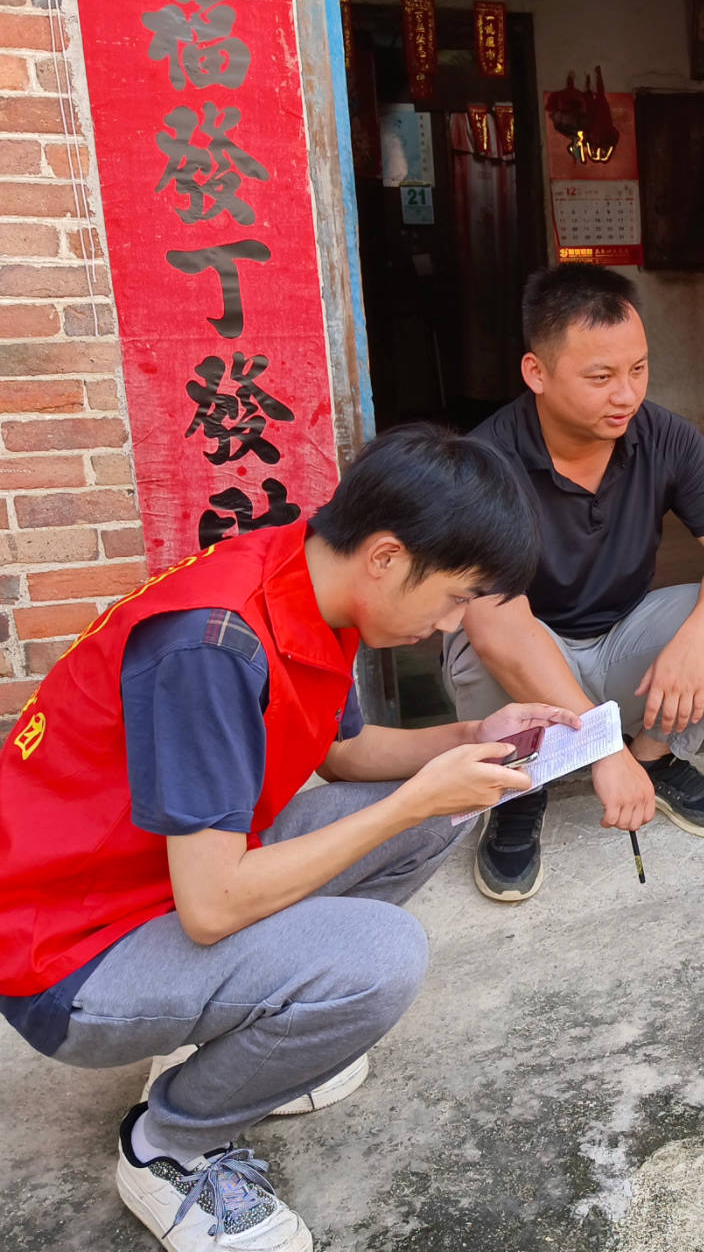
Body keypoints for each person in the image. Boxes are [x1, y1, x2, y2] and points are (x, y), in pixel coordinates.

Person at [0, 425, 577, 1252]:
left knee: (446, 808)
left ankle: (244, 1041)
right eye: (453, 597)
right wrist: (410, 801)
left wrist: (475, 735)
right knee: (380, 956)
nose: (453, 625)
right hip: (69, 955)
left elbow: (345, 754)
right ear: (385, 557)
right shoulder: (214, 646)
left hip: (157, 879)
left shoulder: (308, 572)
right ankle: (167, 1147)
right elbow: (212, 906)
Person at [447, 264, 704, 902]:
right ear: (536, 373)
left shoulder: (666, 437)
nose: (626, 394)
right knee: (476, 641)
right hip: (531, 656)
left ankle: (654, 757)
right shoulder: (485, 462)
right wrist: (601, 751)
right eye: (600, 377)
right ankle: (521, 788)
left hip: (624, 642)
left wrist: (691, 641)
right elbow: (500, 626)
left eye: (639, 369)